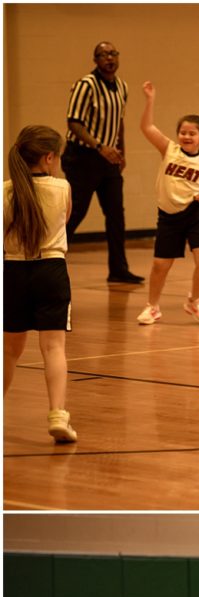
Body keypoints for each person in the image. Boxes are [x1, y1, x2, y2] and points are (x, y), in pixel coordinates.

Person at [136, 82, 199, 326]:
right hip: (169, 215)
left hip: (198, 213)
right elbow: (147, 127)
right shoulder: (170, 149)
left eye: (192, 133)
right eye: (183, 132)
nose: (186, 136)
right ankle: (152, 307)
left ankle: (195, 301)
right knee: (160, 265)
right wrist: (150, 99)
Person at [4, 125, 78, 443]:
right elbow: (66, 219)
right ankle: (58, 415)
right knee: (53, 348)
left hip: (13, 271)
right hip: (51, 269)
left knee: (9, 351)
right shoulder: (62, 188)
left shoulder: (6, 190)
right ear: (49, 158)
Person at [62, 41, 143, 285]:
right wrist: (99, 146)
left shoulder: (122, 86)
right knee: (75, 213)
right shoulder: (86, 85)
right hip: (82, 157)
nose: (109, 58)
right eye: (103, 55)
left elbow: (119, 121)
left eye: (113, 53)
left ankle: (118, 269)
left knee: (116, 214)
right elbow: (73, 122)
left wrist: (121, 152)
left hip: (109, 159)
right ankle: (45, 259)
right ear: (95, 60)